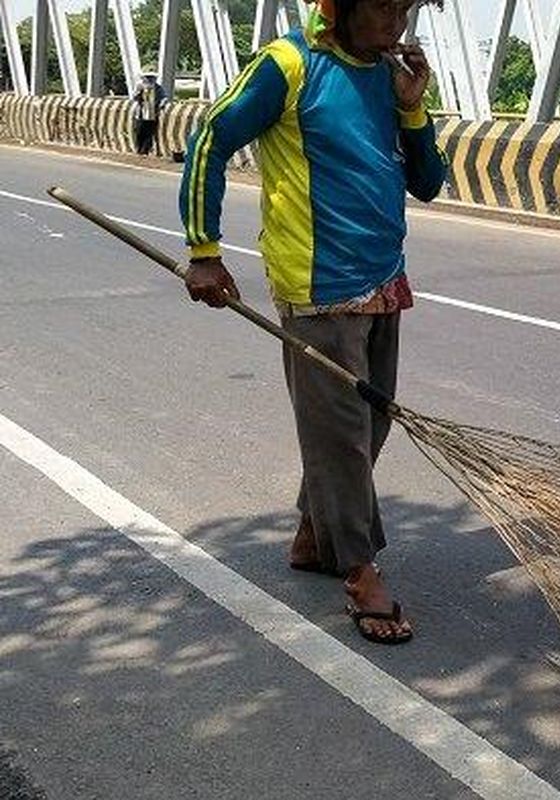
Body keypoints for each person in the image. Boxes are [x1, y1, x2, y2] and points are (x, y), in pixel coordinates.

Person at [178, 0, 447, 644]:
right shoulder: (288, 64)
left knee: (370, 424)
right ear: (340, 7)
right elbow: (210, 137)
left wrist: (412, 107)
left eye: (406, 9)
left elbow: (429, 183)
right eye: (383, 6)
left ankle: (312, 534)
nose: (396, 23)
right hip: (318, 286)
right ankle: (360, 570)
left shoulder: (389, 75)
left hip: (384, 280)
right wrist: (204, 250)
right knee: (343, 435)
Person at [133, 71, 165, 155]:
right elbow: (134, 97)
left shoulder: (158, 88)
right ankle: (139, 149)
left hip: (153, 114)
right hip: (141, 113)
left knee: (149, 133)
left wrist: (162, 104)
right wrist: (139, 92)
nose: (149, 79)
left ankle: (145, 150)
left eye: (151, 78)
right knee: (139, 132)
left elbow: (164, 98)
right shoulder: (140, 87)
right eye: (147, 77)